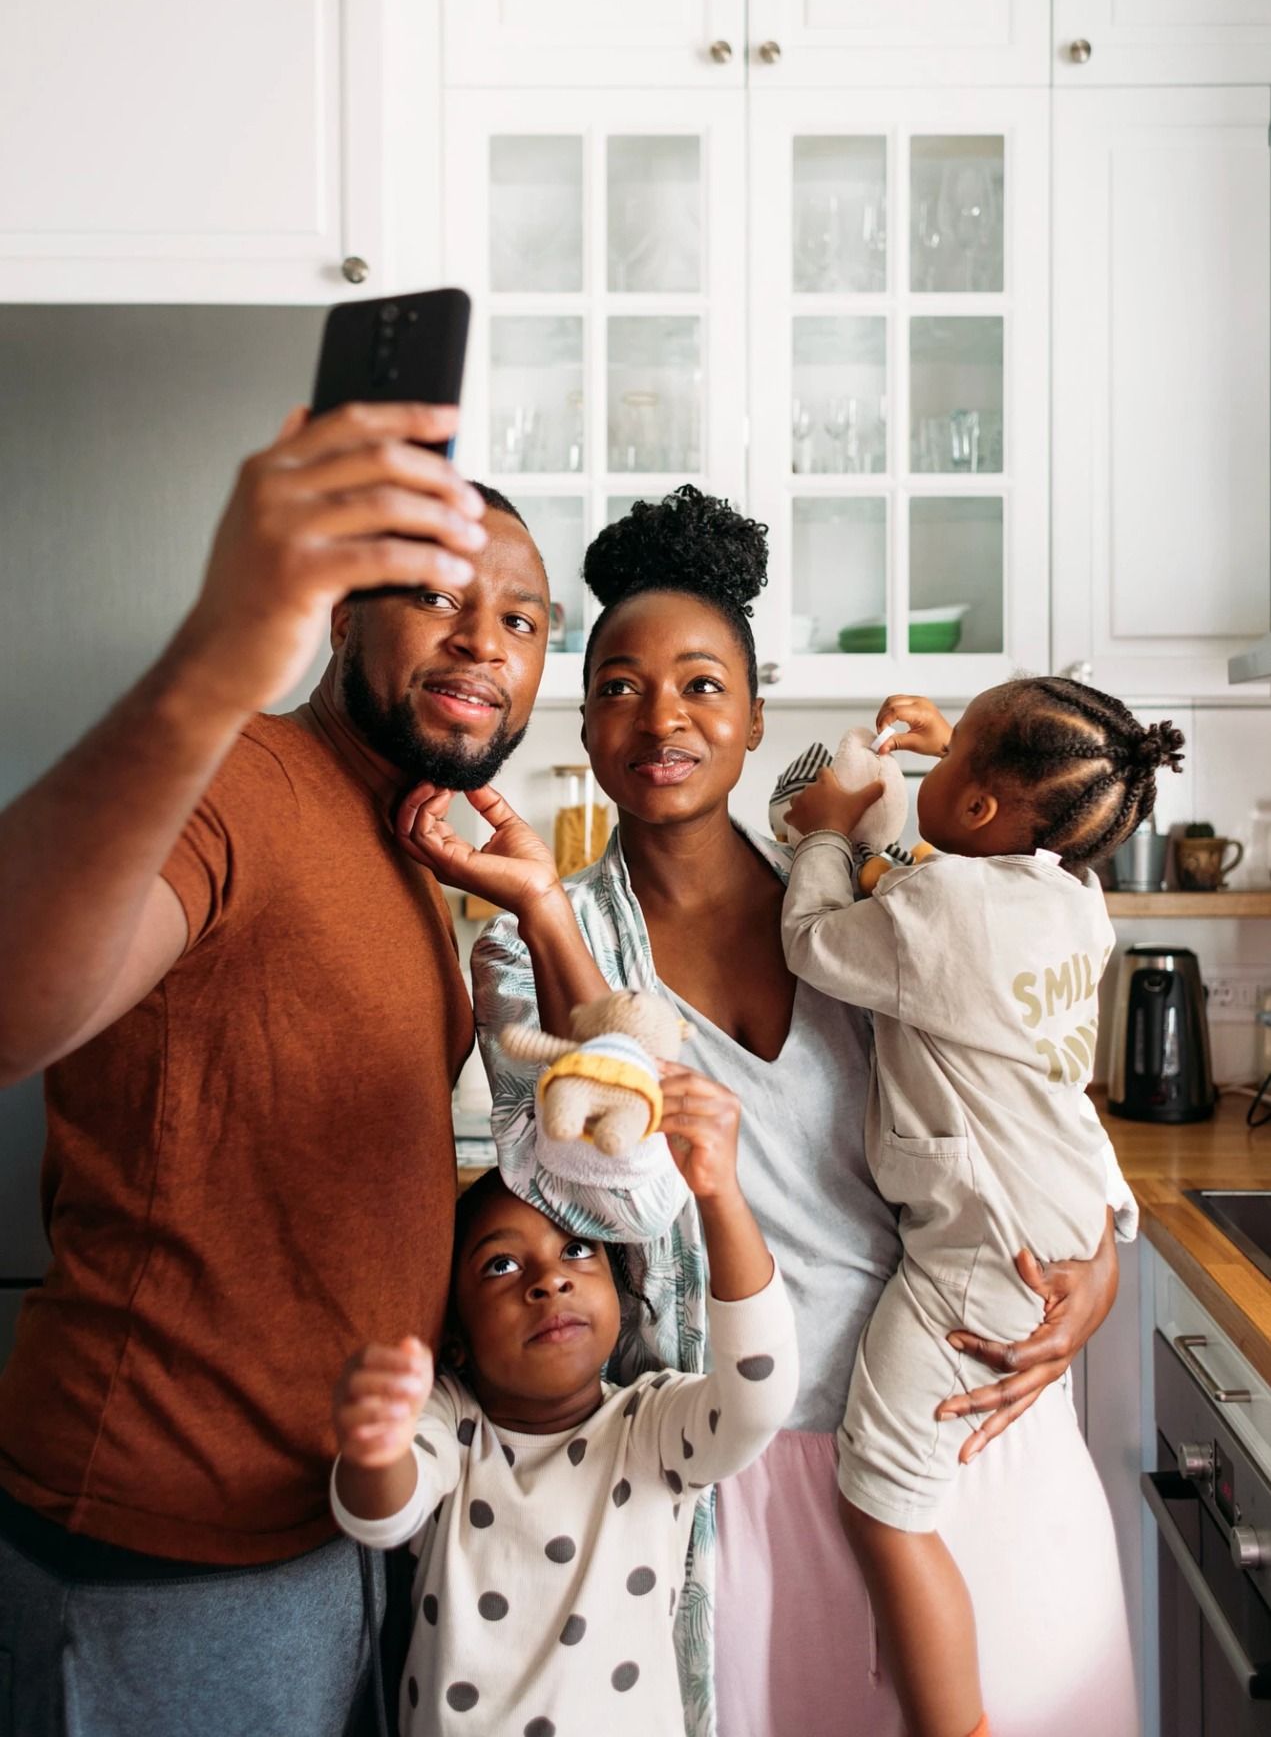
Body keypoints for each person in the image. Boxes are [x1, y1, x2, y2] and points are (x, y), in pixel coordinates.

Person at [393, 486, 1139, 1737]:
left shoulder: (879, 899)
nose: (661, 716)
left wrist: (1097, 1267)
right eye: (620, 686)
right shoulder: (528, 954)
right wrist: (548, 917)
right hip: (725, 1483)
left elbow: (1026, 1087)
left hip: (963, 1431)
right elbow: (599, 1189)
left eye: (699, 684)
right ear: (585, 722)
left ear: (747, 720)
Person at [0, 399, 552, 1737]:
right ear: (339, 616)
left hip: (328, 1515)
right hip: (163, 1540)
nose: (484, 637)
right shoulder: (239, 778)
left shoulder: (408, 847)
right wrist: (217, 649)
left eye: (525, 618)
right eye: (433, 593)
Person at [783, 682, 1184, 1737]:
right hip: (1048, 1215)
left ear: (974, 810)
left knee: (882, 1495)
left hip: (977, 1255)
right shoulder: (1069, 900)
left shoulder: (940, 907)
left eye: (954, 748)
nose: (937, 751)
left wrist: (826, 833)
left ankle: (952, 1727)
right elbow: (930, 886)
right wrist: (923, 775)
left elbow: (821, 937)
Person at [330, 1065, 796, 1734]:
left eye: (577, 1250)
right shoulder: (449, 1421)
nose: (549, 1280)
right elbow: (381, 1517)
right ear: (456, 1338)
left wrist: (719, 1196)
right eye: (501, 1265)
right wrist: (373, 1447)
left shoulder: (649, 1426)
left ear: (619, 1290)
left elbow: (758, 1401)